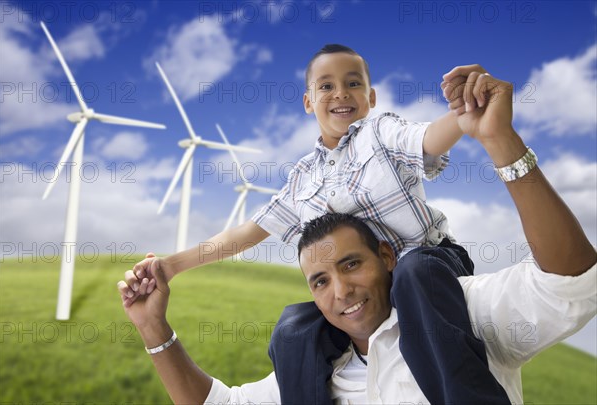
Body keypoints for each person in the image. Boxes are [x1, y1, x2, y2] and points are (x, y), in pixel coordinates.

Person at [118, 66, 597, 404]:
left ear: (371, 99)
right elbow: (248, 231)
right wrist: (168, 280)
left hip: (431, 269)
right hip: (392, 279)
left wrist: (485, 129)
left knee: (416, 274)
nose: (339, 289)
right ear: (308, 102)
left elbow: (571, 284)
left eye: (353, 83)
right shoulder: (303, 180)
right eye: (320, 280)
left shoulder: (382, 136)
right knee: (292, 326)